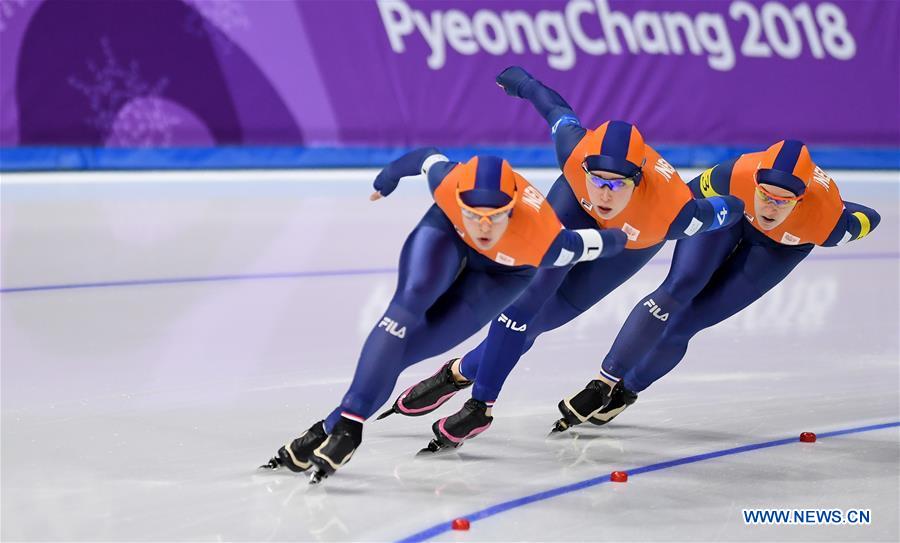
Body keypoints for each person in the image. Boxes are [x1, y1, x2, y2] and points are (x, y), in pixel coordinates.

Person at [379, 67, 744, 452]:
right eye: (597, 179)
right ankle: (480, 406)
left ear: (637, 181)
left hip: (628, 242)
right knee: (521, 306)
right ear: (584, 167)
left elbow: (726, 209)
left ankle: (459, 372)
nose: (604, 193)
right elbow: (554, 108)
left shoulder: (674, 214)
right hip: (572, 211)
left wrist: (745, 203)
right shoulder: (574, 148)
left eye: (617, 184)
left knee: (539, 324)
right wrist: (523, 84)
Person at [262, 149, 627, 482]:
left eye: (494, 217)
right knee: (407, 305)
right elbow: (423, 159)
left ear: (512, 209)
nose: (483, 226)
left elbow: (596, 244)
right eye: (475, 215)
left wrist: (622, 238)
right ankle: (349, 426)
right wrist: (387, 177)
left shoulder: (546, 239)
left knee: (405, 352)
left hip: (504, 273)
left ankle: (329, 427)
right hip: (448, 234)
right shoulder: (448, 183)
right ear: (459, 201)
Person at [551, 139, 882, 431]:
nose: (770, 207)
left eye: (782, 201)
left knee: (686, 323)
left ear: (802, 198)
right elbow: (685, 199)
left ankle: (626, 391)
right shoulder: (733, 174)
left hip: (779, 247)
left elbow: (870, 216)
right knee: (680, 287)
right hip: (731, 216)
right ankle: (604, 382)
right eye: (765, 195)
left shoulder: (828, 222)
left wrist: (838, 208)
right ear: (754, 181)